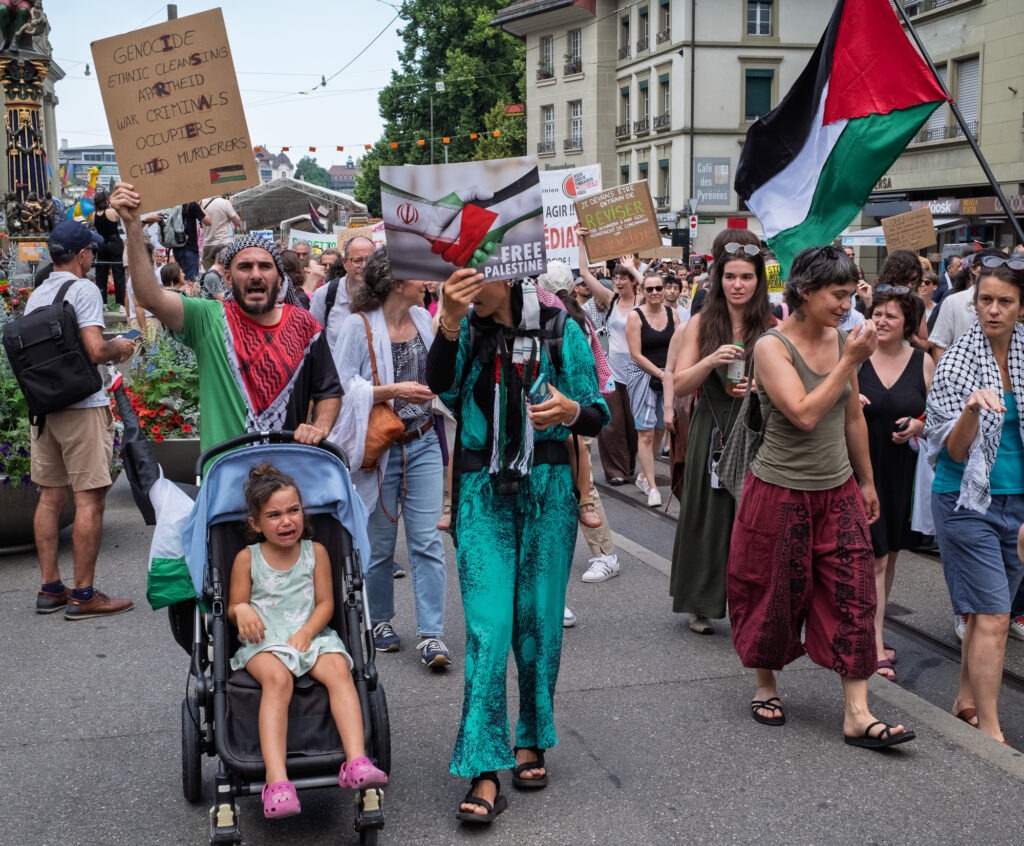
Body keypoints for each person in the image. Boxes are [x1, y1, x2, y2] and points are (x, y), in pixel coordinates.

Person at [427, 269, 609, 824]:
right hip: (482, 494)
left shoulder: (559, 327)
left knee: (538, 623)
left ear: (504, 272)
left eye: (466, 272)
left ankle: (531, 734)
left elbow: (596, 412)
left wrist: (569, 412)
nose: (454, 280)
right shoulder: (460, 329)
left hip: (550, 493)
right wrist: (450, 324)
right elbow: (441, 388)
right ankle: (483, 766)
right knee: (489, 628)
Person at [727, 245, 915, 749]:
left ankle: (858, 712)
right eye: (837, 294)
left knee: (855, 593)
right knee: (772, 593)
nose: (846, 303)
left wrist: (867, 481)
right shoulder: (771, 346)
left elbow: (852, 415)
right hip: (779, 492)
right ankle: (766, 683)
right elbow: (805, 413)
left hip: (838, 491)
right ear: (805, 293)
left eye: (851, 293)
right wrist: (851, 359)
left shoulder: (839, 338)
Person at [110, 182, 341, 450]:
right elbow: (151, 298)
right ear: (228, 279)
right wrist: (133, 227)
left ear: (279, 280)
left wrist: (319, 426)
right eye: (245, 266)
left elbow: (329, 390)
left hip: (289, 476)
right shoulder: (208, 318)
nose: (255, 274)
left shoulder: (305, 325)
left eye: (265, 266)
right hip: (225, 475)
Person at [228, 463, 387, 819]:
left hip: (309, 633)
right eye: (274, 515)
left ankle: (357, 760)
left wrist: (306, 633)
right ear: (255, 524)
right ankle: (277, 780)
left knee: (339, 670)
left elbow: (327, 604)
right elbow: (235, 604)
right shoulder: (246, 559)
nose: (286, 521)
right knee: (278, 679)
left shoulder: (316, 553)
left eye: (293, 511)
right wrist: (241, 611)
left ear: (304, 512)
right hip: (263, 641)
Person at [330, 247, 451, 668]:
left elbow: (438, 372)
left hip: (422, 443)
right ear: (397, 283)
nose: (427, 283)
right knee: (380, 546)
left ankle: (432, 635)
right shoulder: (356, 326)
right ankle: (380, 620)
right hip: (379, 450)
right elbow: (343, 389)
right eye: (420, 276)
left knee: (427, 541)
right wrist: (393, 390)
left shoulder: (422, 319)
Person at [925, 254, 1024, 744]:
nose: (994, 310)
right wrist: (970, 409)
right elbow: (956, 450)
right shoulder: (957, 362)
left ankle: (965, 699)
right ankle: (990, 729)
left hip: (1018, 504)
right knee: (995, 615)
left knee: (989, 612)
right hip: (967, 502)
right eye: (985, 299)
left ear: (1021, 308)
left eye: (1005, 301)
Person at [28, 220, 136, 619]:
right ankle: (84, 594)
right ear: (82, 255)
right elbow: (94, 350)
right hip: (83, 405)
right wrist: (120, 346)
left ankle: (50, 587)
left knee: (51, 497)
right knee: (90, 498)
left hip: (46, 407)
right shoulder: (84, 289)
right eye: (90, 251)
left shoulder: (37, 293)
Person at [669, 241, 773, 635]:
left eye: (746, 276)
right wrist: (712, 360)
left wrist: (759, 386)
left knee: (753, 519)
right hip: (710, 427)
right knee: (707, 517)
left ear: (758, 281)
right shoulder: (701, 322)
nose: (738, 284)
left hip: (754, 427)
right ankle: (701, 602)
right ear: (719, 279)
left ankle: (753, 606)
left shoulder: (771, 324)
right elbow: (679, 384)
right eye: (730, 276)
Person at [859, 287, 933, 681]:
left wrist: (919, 424)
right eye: (877, 313)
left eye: (891, 315)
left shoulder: (922, 361)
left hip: (902, 473)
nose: (882, 321)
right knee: (875, 559)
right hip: (862, 469)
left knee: (890, 557)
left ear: (908, 322)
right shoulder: (856, 357)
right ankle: (871, 643)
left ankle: (874, 629)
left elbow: (937, 415)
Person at [577, 231, 640, 486]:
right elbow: (585, 274)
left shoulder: (644, 299)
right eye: (615, 277)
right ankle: (616, 471)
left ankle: (632, 466)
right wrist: (581, 243)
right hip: (612, 370)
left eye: (623, 277)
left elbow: (649, 285)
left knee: (635, 424)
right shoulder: (610, 300)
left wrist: (633, 268)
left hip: (638, 370)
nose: (618, 281)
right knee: (612, 423)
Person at [625, 271, 675, 507]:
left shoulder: (673, 314)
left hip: (667, 377)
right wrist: (659, 373)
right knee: (644, 431)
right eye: (649, 289)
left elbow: (679, 345)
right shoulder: (635, 316)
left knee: (659, 430)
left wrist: (672, 373)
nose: (655, 293)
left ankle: (645, 474)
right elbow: (635, 354)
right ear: (642, 292)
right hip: (644, 376)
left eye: (658, 288)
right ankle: (653, 487)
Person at [309, 235, 375, 351]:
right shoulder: (325, 295)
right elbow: (311, 340)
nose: (364, 266)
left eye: (369, 260)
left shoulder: (385, 295)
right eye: (357, 261)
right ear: (345, 263)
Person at [91, 191, 125, 308]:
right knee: (118, 274)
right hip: (114, 243)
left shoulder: (94, 215)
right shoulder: (112, 212)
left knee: (101, 274)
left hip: (101, 244)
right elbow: (121, 214)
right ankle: (121, 303)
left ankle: (103, 303)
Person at [200, 194, 241, 270]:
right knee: (224, 273)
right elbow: (237, 222)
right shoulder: (225, 203)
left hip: (207, 245)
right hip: (223, 244)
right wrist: (230, 205)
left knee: (210, 274)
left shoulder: (201, 203)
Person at [173, 200, 205, 283]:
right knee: (192, 283)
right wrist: (200, 207)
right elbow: (208, 221)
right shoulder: (192, 204)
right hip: (190, 249)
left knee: (181, 281)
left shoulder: (173, 204)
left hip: (176, 248)